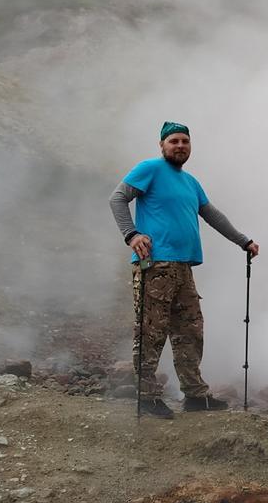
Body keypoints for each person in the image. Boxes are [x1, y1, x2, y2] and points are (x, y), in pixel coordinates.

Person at [109, 121, 259, 419]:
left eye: (185, 142)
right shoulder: (149, 168)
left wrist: (244, 241)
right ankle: (147, 397)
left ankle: (194, 395)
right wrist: (132, 235)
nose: (180, 146)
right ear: (162, 145)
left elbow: (212, 215)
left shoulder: (191, 182)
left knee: (190, 330)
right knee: (151, 331)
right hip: (155, 264)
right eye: (174, 141)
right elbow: (118, 198)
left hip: (183, 267)